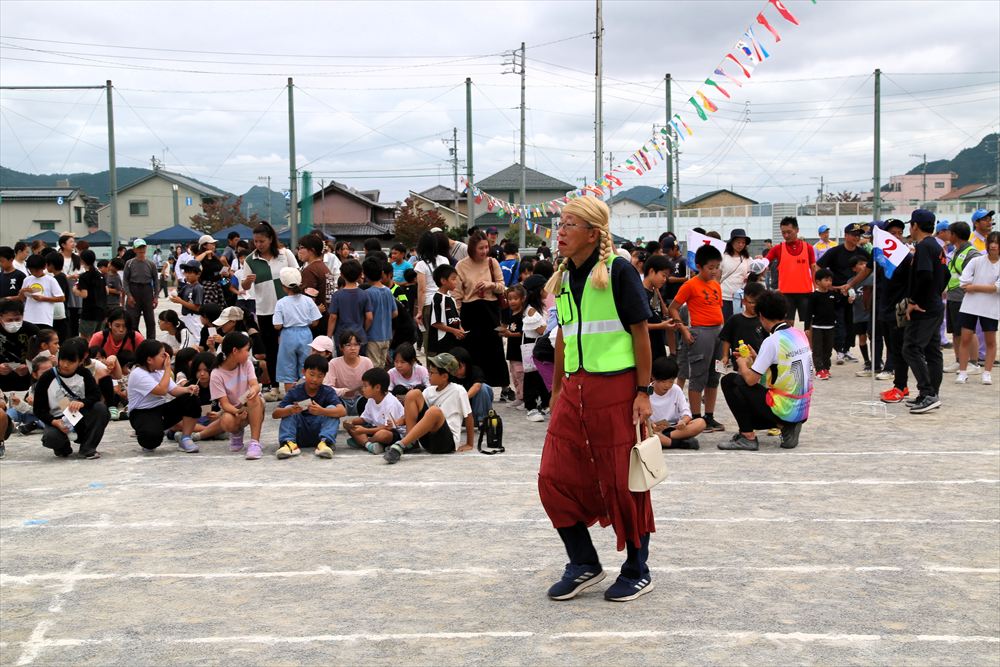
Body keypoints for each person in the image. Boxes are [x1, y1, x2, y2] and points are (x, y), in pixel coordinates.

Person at [539, 196, 656, 603]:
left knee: (624, 481)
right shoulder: (563, 274)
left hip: (617, 389)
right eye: (560, 224)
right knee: (553, 478)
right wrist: (556, 389)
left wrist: (643, 391)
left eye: (570, 224)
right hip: (574, 390)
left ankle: (637, 569)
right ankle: (583, 562)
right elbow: (563, 336)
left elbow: (641, 334)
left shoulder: (619, 271)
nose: (561, 231)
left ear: (593, 233)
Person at [719, 290, 812, 451]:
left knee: (730, 381)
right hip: (802, 409)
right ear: (784, 312)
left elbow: (750, 380)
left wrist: (742, 363)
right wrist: (757, 358)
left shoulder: (772, 341)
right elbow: (780, 368)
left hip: (784, 409)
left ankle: (748, 436)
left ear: (760, 315)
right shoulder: (798, 334)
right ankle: (787, 426)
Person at [667, 244, 726, 432]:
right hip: (700, 332)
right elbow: (673, 308)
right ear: (699, 266)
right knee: (698, 376)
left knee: (714, 376)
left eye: (717, 267)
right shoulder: (690, 285)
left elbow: (718, 309)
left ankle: (709, 416)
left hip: (718, 332)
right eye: (711, 267)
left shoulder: (716, 285)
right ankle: (696, 416)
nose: (714, 271)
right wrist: (683, 329)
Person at [239, 222, 299, 401]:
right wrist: (247, 282)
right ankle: (274, 387)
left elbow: (297, 276)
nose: (258, 244)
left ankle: (294, 385)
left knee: (291, 347)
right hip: (265, 310)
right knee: (271, 350)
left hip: (288, 308)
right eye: (255, 241)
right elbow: (244, 286)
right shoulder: (250, 260)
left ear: (270, 239)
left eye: (262, 241)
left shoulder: (285, 254)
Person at [382, 352, 474, 463]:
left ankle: (401, 445)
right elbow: (414, 413)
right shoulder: (428, 391)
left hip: (446, 443)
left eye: (432, 373)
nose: (428, 375)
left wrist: (469, 443)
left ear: (444, 376)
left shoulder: (458, 390)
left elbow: (468, 416)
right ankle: (411, 443)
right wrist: (398, 421)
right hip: (428, 440)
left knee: (434, 411)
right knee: (413, 394)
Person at [901, 209, 949, 414]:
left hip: (924, 307)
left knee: (911, 348)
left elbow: (925, 276)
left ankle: (928, 393)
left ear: (915, 226)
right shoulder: (937, 246)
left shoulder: (923, 247)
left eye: (911, 225)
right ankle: (931, 394)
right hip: (935, 305)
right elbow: (946, 274)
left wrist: (914, 300)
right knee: (932, 350)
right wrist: (935, 294)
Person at [32, 337, 109, 459]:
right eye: (63, 360)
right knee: (51, 438)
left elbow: (95, 395)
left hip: (80, 417)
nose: (65, 365)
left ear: (80, 361)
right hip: (59, 420)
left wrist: (82, 403)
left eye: (71, 362)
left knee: (101, 409)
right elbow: (38, 409)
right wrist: (54, 422)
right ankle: (62, 447)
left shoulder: (84, 374)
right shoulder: (47, 378)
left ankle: (87, 447)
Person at [453, 230, 509, 389]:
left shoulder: (492, 262)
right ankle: (473, 384)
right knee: (472, 350)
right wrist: (457, 319)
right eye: (481, 248)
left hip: (490, 310)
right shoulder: (461, 265)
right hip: (470, 311)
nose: (484, 251)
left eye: (486, 247)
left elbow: (502, 286)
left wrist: (490, 285)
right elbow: (457, 295)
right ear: (472, 248)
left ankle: (502, 385)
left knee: (495, 349)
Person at [127, 339, 201, 453]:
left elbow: (173, 390)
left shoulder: (159, 371)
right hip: (141, 413)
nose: (166, 358)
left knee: (191, 398)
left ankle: (185, 438)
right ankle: (147, 433)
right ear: (149, 359)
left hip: (160, 409)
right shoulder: (138, 374)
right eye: (163, 356)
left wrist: (187, 389)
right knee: (151, 440)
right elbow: (161, 390)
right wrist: (167, 368)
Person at [273, 353, 345, 459]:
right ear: (304, 372)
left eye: (319, 376)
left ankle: (325, 443)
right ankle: (288, 444)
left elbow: (342, 411)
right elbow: (275, 414)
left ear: (324, 376)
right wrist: (291, 410)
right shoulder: (295, 391)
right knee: (287, 408)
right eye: (312, 374)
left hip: (320, 432)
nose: (315, 379)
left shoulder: (328, 391)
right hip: (299, 433)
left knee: (332, 409)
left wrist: (322, 411)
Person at [817, 223, 871, 364]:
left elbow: (871, 268)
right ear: (846, 235)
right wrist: (827, 286)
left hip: (856, 295)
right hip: (837, 294)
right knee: (839, 323)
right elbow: (818, 266)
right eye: (853, 234)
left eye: (858, 235)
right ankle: (839, 350)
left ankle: (847, 350)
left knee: (851, 323)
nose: (856, 237)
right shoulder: (835, 251)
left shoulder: (862, 253)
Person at [211, 332, 266, 459]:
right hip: (233, 409)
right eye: (246, 350)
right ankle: (236, 433)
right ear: (235, 351)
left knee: (254, 398)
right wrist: (237, 412)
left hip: (249, 403)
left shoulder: (247, 364)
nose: (248, 354)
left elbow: (255, 385)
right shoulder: (216, 374)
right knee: (226, 421)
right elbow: (224, 404)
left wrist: (253, 390)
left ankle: (255, 442)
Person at [875, 219, 913, 403]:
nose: (897, 237)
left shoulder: (907, 256)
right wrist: (850, 285)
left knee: (899, 349)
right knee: (891, 346)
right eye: (893, 233)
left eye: (900, 233)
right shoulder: (880, 255)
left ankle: (900, 386)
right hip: (884, 306)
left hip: (899, 309)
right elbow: (867, 271)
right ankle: (900, 385)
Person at [956, 231, 999, 385]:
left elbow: (997, 288)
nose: (993, 245)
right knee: (965, 338)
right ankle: (962, 372)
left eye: (997, 242)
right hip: (970, 305)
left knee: (990, 341)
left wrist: (974, 287)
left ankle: (987, 373)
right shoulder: (976, 261)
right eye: (991, 242)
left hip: (991, 307)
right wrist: (988, 288)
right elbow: (963, 282)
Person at [272, 267, 321, 391]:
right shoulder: (308, 300)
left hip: (287, 335)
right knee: (306, 367)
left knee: (288, 370)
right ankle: (306, 397)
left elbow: (277, 325)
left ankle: (291, 399)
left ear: (284, 286)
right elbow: (315, 321)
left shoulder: (281, 302)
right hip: (305, 334)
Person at [943, 221, 982, 375]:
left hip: (965, 298)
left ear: (955, 235)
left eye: (949, 232)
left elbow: (976, 275)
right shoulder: (955, 251)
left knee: (969, 331)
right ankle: (960, 360)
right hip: (953, 296)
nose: (947, 235)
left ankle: (974, 363)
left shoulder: (972, 253)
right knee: (956, 331)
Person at [764, 218, 817, 329]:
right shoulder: (778, 249)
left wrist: (816, 289)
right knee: (787, 326)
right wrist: (760, 261)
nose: (786, 235)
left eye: (789, 232)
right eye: (783, 233)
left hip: (806, 293)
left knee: (809, 326)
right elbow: (765, 261)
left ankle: (809, 341)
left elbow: (813, 269)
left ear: (797, 230)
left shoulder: (808, 248)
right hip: (786, 294)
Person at [648, 356, 705, 450]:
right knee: (646, 432)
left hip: (674, 428)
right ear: (653, 377)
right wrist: (651, 425)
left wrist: (683, 421)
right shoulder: (647, 392)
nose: (667, 385)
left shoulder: (676, 390)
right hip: (654, 428)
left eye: (671, 382)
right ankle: (677, 443)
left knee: (700, 423)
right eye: (663, 382)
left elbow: (686, 413)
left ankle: (665, 439)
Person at [344, 367, 405, 454]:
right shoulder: (371, 399)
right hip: (375, 429)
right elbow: (364, 418)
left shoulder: (390, 402)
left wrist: (364, 431)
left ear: (377, 387)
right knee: (352, 428)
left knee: (383, 434)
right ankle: (370, 445)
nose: (362, 389)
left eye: (365, 386)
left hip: (393, 433)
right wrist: (351, 422)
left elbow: (388, 427)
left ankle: (364, 442)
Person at [412, 231, 451, 354]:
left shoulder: (421, 265)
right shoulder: (445, 260)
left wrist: (419, 311)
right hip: (446, 302)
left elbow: (422, 290)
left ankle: (432, 365)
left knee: (430, 340)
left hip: (429, 304)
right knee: (445, 337)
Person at [719, 281, 768, 371]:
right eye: (751, 302)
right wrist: (725, 356)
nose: (754, 306)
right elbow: (726, 339)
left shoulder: (763, 320)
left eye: (757, 302)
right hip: (740, 362)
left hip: (758, 362)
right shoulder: (734, 319)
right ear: (744, 301)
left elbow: (766, 339)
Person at [327, 259, 372, 353]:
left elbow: (333, 317)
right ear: (360, 275)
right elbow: (369, 317)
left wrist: (328, 337)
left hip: (342, 338)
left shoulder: (337, 295)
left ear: (341, 275)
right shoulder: (365, 294)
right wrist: (363, 329)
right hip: (360, 336)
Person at [326, 330, 374, 415]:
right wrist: (344, 391)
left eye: (356, 344)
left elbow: (373, 385)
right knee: (330, 405)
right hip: (341, 400)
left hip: (361, 399)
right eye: (348, 345)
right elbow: (328, 388)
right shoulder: (334, 363)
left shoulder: (367, 362)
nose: (353, 348)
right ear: (341, 347)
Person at [362, 257, 397, 368]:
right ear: (382, 273)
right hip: (386, 336)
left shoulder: (367, 293)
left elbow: (369, 318)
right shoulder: (388, 290)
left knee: (372, 368)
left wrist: (363, 331)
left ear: (365, 275)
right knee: (381, 367)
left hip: (373, 336)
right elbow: (395, 313)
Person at [297, 234, 333, 337]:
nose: (299, 251)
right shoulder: (324, 268)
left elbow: (308, 300)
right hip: (326, 319)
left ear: (312, 250)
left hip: (315, 323)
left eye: (302, 248)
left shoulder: (310, 270)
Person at [123, 238, 160, 339]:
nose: (141, 250)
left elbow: (156, 281)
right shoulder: (129, 263)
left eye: (143, 247)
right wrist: (129, 295)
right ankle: (133, 340)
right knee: (132, 320)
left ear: (146, 248)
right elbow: (125, 281)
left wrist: (156, 297)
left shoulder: (151, 264)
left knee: (150, 321)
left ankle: (151, 342)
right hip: (134, 290)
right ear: (134, 249)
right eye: (139, 248)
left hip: (147, 291)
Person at [0, 299, 39, 393]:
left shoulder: (32, 330)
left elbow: (44, 355)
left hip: (26, 382)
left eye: (17, 319)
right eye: (9, 320)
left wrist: (29, 367)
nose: (14, 323)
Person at [641, 254, 674, 362]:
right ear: (651, 271)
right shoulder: (640, 294)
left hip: (658, 343)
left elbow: (655, 312)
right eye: (663, 275)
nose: (665, 280)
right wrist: (662, 325)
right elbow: (640, 326)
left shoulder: (654, 290)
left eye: (666, 277)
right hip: (647, 346)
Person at [448, 346, 493, 424]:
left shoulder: (475, 371)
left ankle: (482, 420)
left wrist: (463, 398)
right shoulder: (448, 375)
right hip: (458, 413)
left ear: (466, 364)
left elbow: (477, 386)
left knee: (483, 388)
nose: (456, 370)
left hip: (475, 409)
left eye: (459, 367)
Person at [20, 254, 64, 330]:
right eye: (31, 271)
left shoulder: (50, 280)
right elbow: (22, 299)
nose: (34, 273)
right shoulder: (27, 280)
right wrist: (22, 292)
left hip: (44, 318)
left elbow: (61, 298)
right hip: (28, 318)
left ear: (44, 267)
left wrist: (43, 298)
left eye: (36, 270)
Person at [428, 264, 465, 355]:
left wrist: (460, 329)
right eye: (453, 279)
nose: (456, 282)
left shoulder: (451, 298)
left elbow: (456, 318)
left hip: (453, 341)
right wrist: (454, 331)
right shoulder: (437, 298)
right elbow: (435, 323)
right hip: (443, 343)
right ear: (443, 281)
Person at [809, 269, 837, 380]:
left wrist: (848, 299)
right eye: (826, 280)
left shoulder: (832, 295)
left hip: (830, 327)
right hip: (817, 327)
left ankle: (826, 368)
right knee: (817, 349)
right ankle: (819, 369)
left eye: (830, 280)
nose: (829, 282)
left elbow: (838, 307)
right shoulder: (814, 296)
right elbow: (808, 313)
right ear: (818, 282)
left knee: (828, 349)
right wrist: (807, 327)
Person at [501, 284, 526, 408]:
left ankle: (524, 398)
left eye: (515, 298)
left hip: (519, 352)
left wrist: (510, 334)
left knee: (520, 375)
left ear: (522, 299)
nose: (512, 301)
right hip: (512, 351)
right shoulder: (511, 314)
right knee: (514, 375)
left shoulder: (522, 315)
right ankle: (519, 396)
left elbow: (523, 333)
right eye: (510, 299)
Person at [74, 250, 107, 339]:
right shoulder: (100, 275)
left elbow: (84, 294)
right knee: (98, 339)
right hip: (101, 312)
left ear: (82, 261)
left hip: (89, 313)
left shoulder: (84, 276)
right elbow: (106, 291)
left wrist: (75, 290)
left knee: (85, 339)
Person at [720, 229, 752, 321]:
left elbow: (753, 273)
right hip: (725, 296)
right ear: (732, 242)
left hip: (741, 298)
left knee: (740, 323)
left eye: (743, 243)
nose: (741, 245)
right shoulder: (723, 257)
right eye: (738, 242)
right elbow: (717, 276)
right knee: (726, 323)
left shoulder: (747, 259)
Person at [170, 260, 205, 339]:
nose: (187, 275)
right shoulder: (186, 286)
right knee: (188, 337)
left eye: (190, 273)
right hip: (186, 316)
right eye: (186, 272)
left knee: (197, 338)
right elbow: (179, 297)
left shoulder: (198, 288)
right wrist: (174, 298)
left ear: (198, 274)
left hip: (195, 317)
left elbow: (197, 307)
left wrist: (180, 301)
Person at [56, 234, 83, 337]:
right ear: (63, 245)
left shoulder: (77, 258)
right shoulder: (58, 258)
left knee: (75, 317)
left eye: (74, 242)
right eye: (71, 242)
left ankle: (74, 338)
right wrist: (69, 276)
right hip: (63, 289)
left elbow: (82, 272)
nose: (73, 244)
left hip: (75, 289)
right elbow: (56, 274)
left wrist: (78, 276)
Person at [44, 253, 71, 341]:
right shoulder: (61, 276)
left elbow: (58, 296)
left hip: (60, 314)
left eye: (47, 264)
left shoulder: (58, 278)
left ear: (51, 265)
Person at [194, 235, 226, 307]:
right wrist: (206, 253)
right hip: (207, 286)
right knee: (209, 306)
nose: (214, 246)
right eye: (211, 244)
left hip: (219, 282)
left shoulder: (215, 257)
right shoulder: (202, 258)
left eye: (214, 244)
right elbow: (195, 262)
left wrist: (226, 274)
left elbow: (222, 269)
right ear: (204, 245)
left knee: (228, 285)